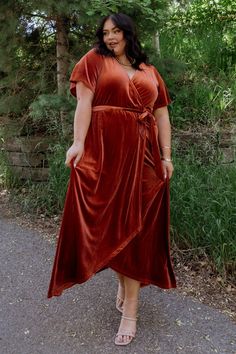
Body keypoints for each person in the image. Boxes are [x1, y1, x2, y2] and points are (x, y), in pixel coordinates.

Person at [47, 13, 176, 346]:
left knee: (137, 230)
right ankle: (123, 281)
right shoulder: (93, 61)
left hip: (144, 159)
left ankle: (131, 309)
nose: (110, 37)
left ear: (128, 33)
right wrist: (78, 143)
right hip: (106, 157)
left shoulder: (150, 72)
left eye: (116, 31)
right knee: (112, 225)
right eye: (105, 32)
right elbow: (85, 104)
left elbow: (162, 115)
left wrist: (166, 156)